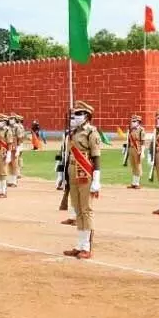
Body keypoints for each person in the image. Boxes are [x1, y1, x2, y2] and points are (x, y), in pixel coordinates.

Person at [62, 101, 102, 259]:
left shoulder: (92, 132)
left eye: (79, 114)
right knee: (77, 209)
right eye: (74, 114)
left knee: (86, 210)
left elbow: (96, 156)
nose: (75, 117)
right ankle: (79, 245)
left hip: (85, 172)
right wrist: (63, 175)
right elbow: (68, 155)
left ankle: (87, 246)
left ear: (87, 115)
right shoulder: (73, 132)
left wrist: (97, 179)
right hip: (73, 171)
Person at [0, 113, 14, 198]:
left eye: (0, 121)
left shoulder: (8, 130)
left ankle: (4, 191)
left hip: (3, 152)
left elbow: (10, 143)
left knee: (3, 172)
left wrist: (8, 154)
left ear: (4, 122)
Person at [126, 114, 146, 189]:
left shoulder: (141, 130)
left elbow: (143, 142)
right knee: (133, 165)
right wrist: (126, 149)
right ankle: (133, 183)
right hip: (131, 148)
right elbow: (128, 140)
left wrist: (143, 152)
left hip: (137, 149)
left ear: (138, 122)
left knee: (138, 166)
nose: (132, 122)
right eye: (132, 121)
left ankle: (137, 183)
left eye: (134, 121)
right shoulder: (131, 129)